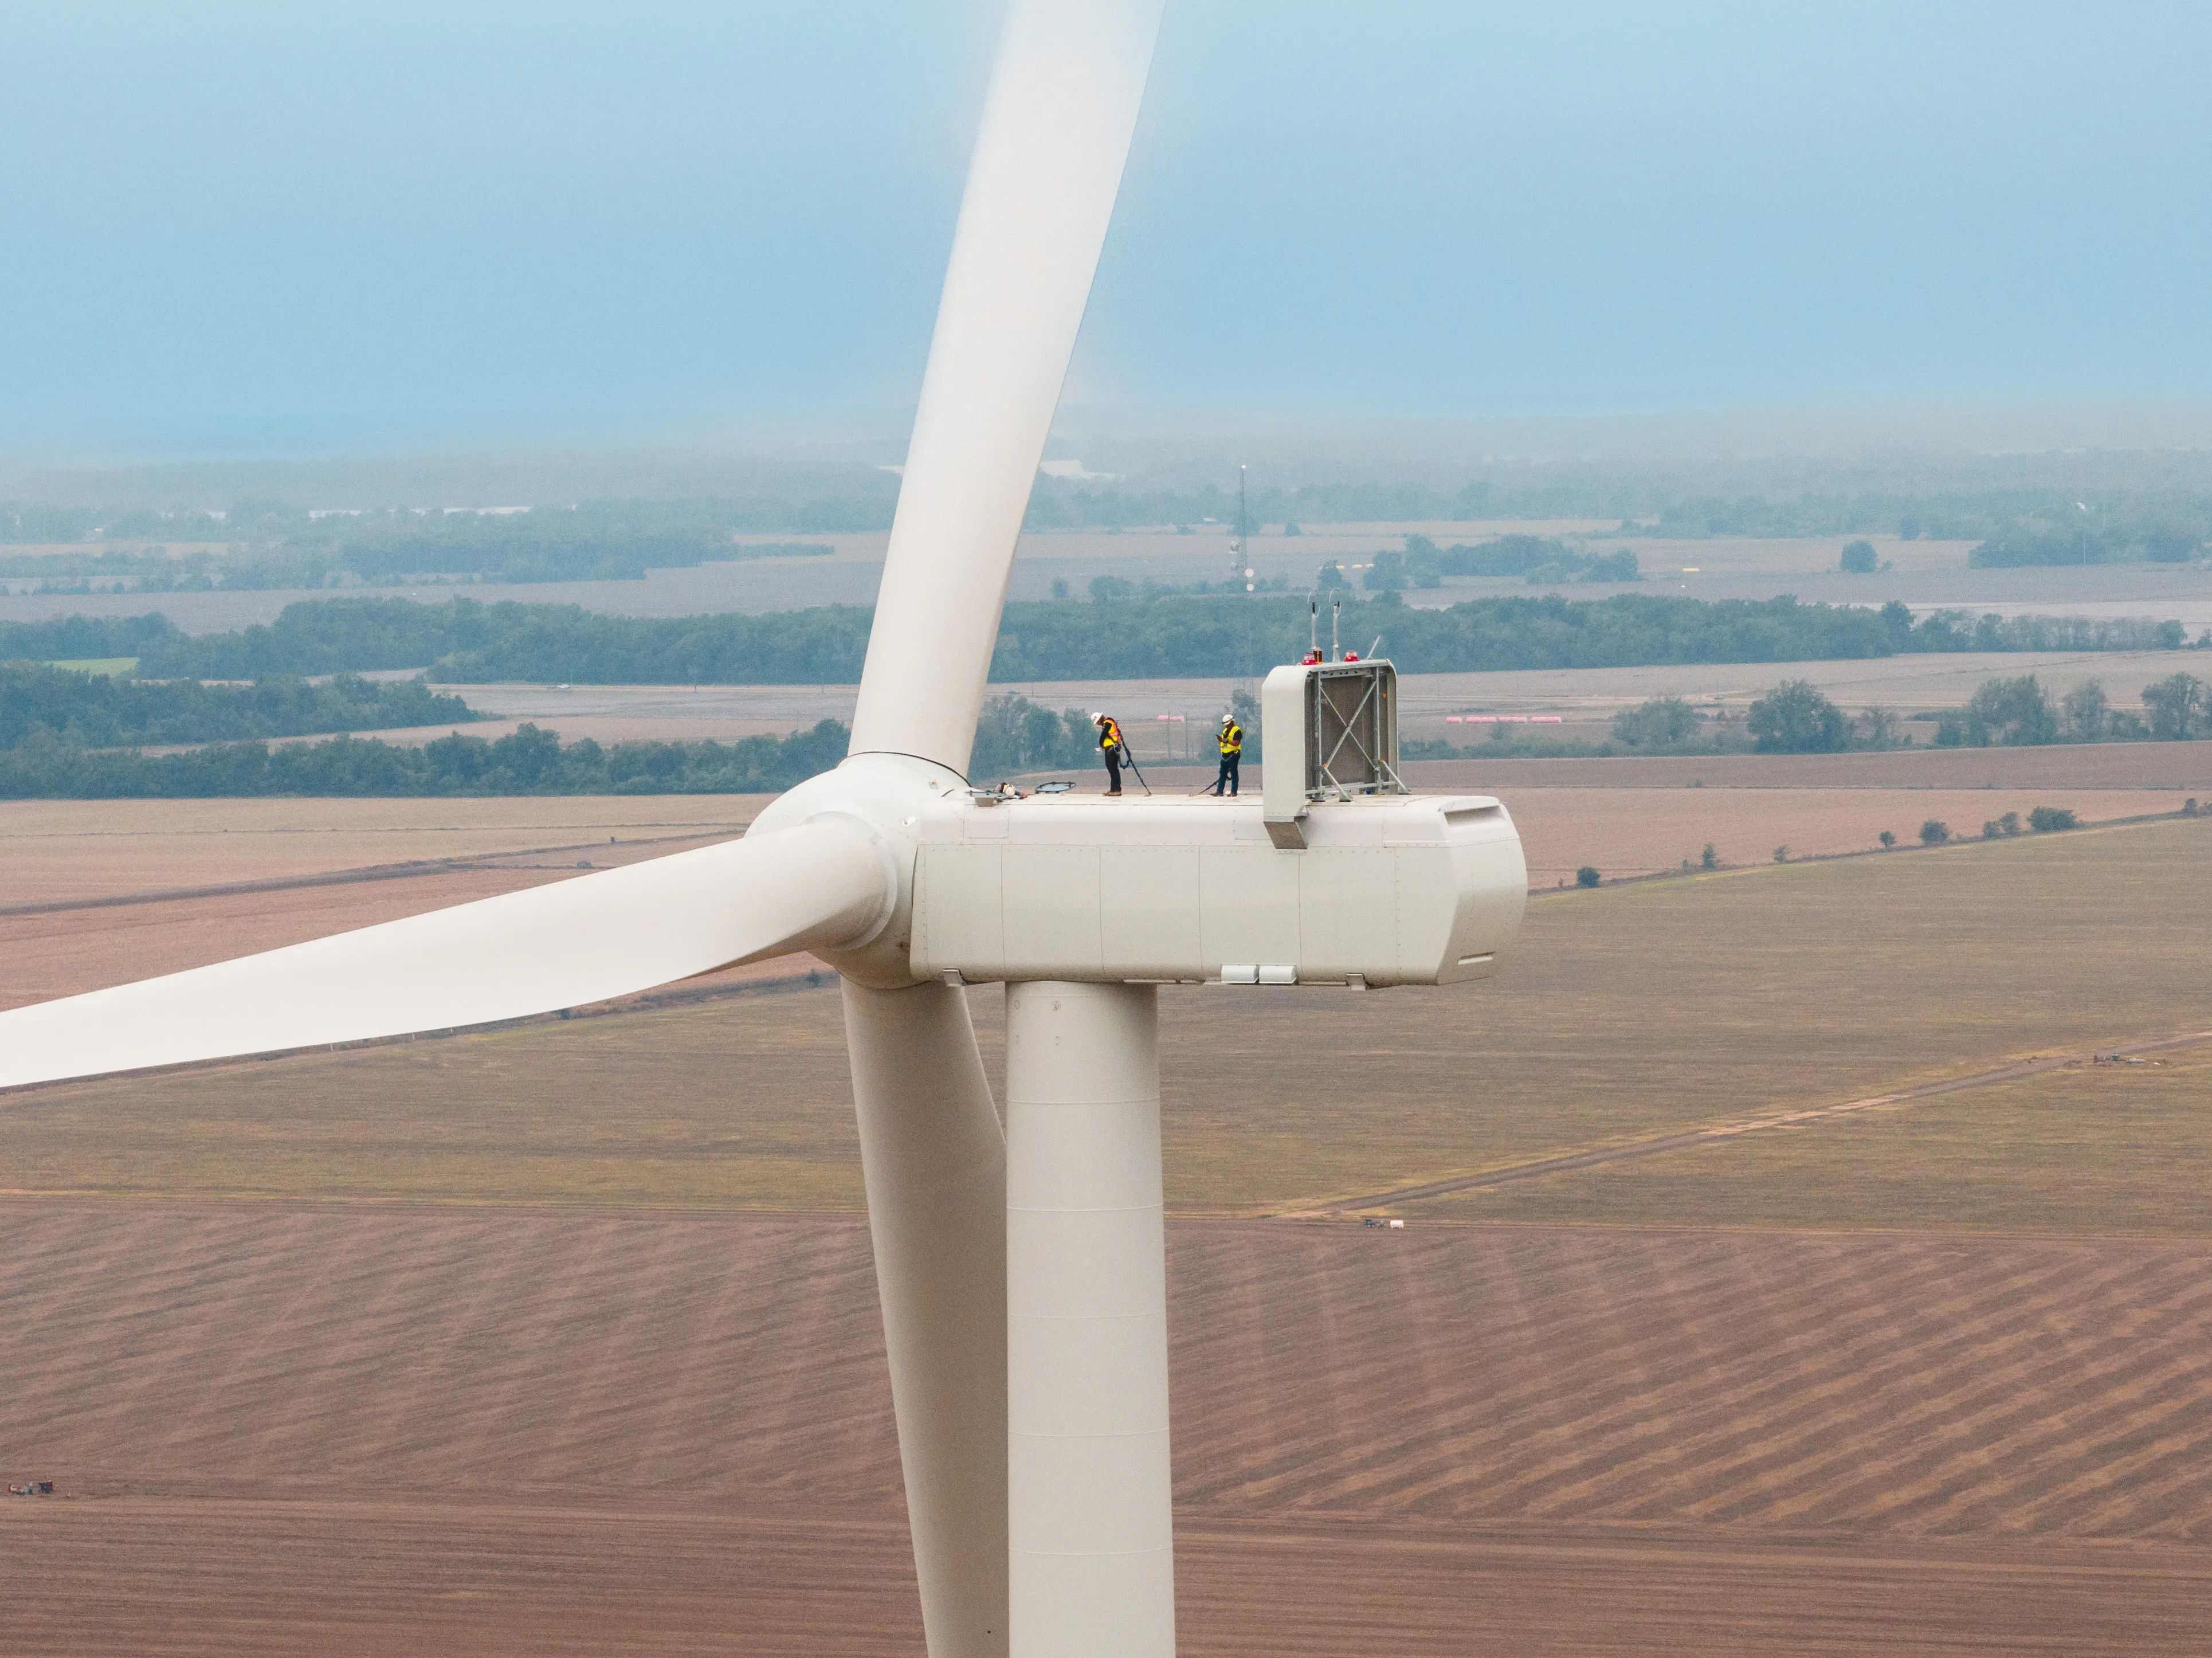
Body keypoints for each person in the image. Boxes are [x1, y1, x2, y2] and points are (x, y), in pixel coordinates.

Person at [1092, 711, 1126, 795]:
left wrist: (1100, 744)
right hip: (1109, 749)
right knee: (1111, 769)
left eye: (1098, 722)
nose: (1098, 724)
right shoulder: (1107, 723)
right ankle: (1113, 790)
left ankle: (1117, 790)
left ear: (1100, 719)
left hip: (1112, 749)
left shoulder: (1107, 723)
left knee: (1113, 769)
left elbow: (1103, 736)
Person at [1212, 711, 1243, 797]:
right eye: (1226, 725)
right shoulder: (1225, 730)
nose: (1227, 726)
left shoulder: (1237, 731)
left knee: (1234, 773)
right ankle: (1220, 791)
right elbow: (1223, 742)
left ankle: (1234, 792)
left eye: (1228, 724)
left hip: (1233, 755)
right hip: (1225, 755)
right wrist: (1220, 741)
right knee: (1222, 773)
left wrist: (1226, 741)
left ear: (1232, 722)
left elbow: (1236, 743)